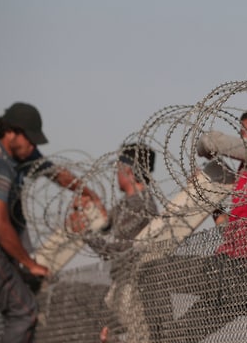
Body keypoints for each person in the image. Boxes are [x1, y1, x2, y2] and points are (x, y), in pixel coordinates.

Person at [138, 105, 247, 342]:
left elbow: (211, 141)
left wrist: (207, 152)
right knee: (177, 336)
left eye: (244, 133)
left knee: (150, 273)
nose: (241, 139)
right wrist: (211, 201)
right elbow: (231, 234)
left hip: (238, 272)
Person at [0, 102, 102, 342]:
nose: (34, 146)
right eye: (30, 139)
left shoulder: (20, 155)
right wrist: (30, 263)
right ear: (10, 132)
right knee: (24, 313)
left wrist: (88, 193)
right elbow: (0, 225)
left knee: (23, 292)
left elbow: (56, 173)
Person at [67, 143, 159, 343]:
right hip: (122, 285)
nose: (116, 174)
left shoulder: (140, 205)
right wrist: (90, 210)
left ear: (128, 170)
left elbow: (115, 249)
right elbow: (107, 226)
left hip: (133, 287)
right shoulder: (127, 204)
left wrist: (85, 233)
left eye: (118, 168)